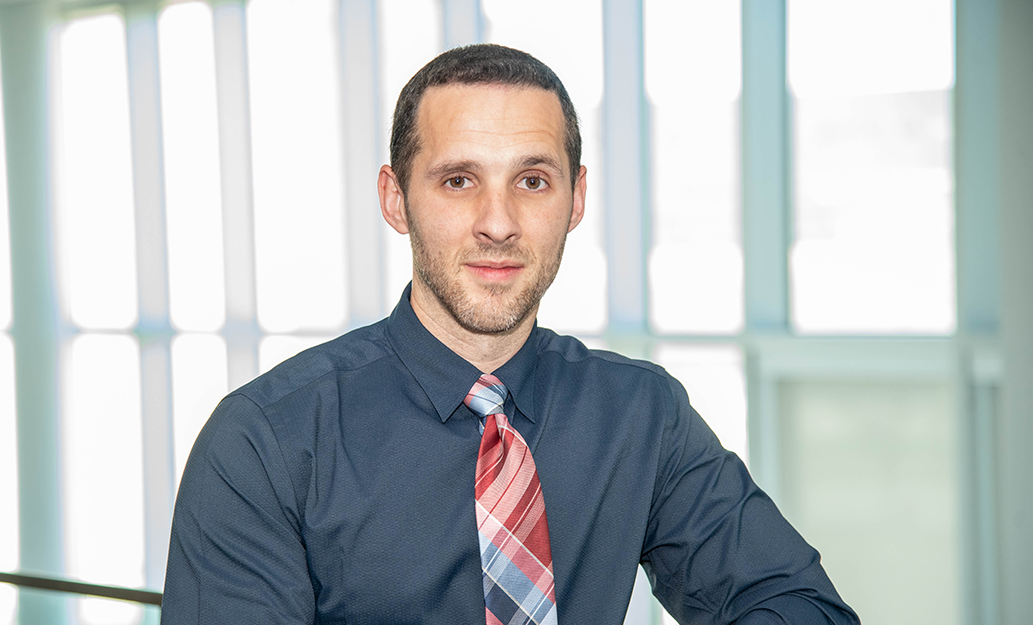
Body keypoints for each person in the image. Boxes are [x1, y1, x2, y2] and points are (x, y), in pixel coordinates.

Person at [161, 44, 858, 625]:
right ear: (395, 199)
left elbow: (795, 604)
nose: (498, 223)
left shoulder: (642, 414)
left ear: (576, 198)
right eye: (459, 180)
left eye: (531, 180)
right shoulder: (265, 443)